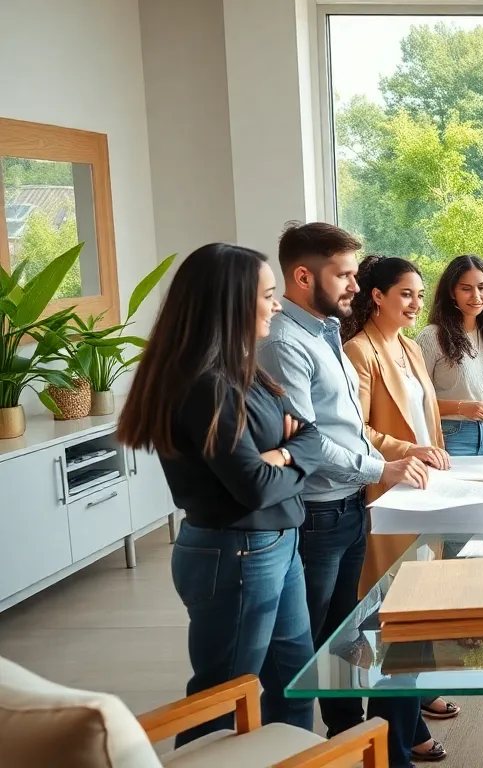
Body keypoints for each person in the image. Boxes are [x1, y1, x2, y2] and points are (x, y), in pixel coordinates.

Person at [117, 243, 320, 745]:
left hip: (277, 542)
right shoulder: (205, 385)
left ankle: (290, 758)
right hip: (238, 551)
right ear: (230, 302)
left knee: (295, 680)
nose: (277, 305)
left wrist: (286, 455)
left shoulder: (245, 371)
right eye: (269, 295)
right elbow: (252, 487)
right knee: (221, 697)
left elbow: (312, 436)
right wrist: (283, 456)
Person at [257, 222, 444, 765]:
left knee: (346, 642)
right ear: (301, 275)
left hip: (347, 508)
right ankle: (302, 748)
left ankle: (353, 745)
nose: (354, 287)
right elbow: (311, 439)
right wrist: (381, 467)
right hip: (316, 514)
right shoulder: (287, 343)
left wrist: (386, 462)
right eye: (343, 275)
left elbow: (349, 427)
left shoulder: (324, 332)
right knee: (305, 651)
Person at [342, 254, 460, 764]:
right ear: (378, 297)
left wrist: (433, 452)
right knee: (397, 629)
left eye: (418, 294)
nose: (416, 303)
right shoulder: (358, 351)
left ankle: (407, 732)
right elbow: (355, 431)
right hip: (387, 502)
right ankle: (393, 750)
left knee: (416, 623)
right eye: (405, 295)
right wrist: (406, 450)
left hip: (423, 498)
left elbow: (425, 422)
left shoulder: (410, 349)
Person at [416, 254, 483, 457]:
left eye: (482, 287)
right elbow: (414, 400)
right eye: (466, 289)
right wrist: (461, 408)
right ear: (451, 292)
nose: (476, 296)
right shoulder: (433, 336)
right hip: (451, 436)